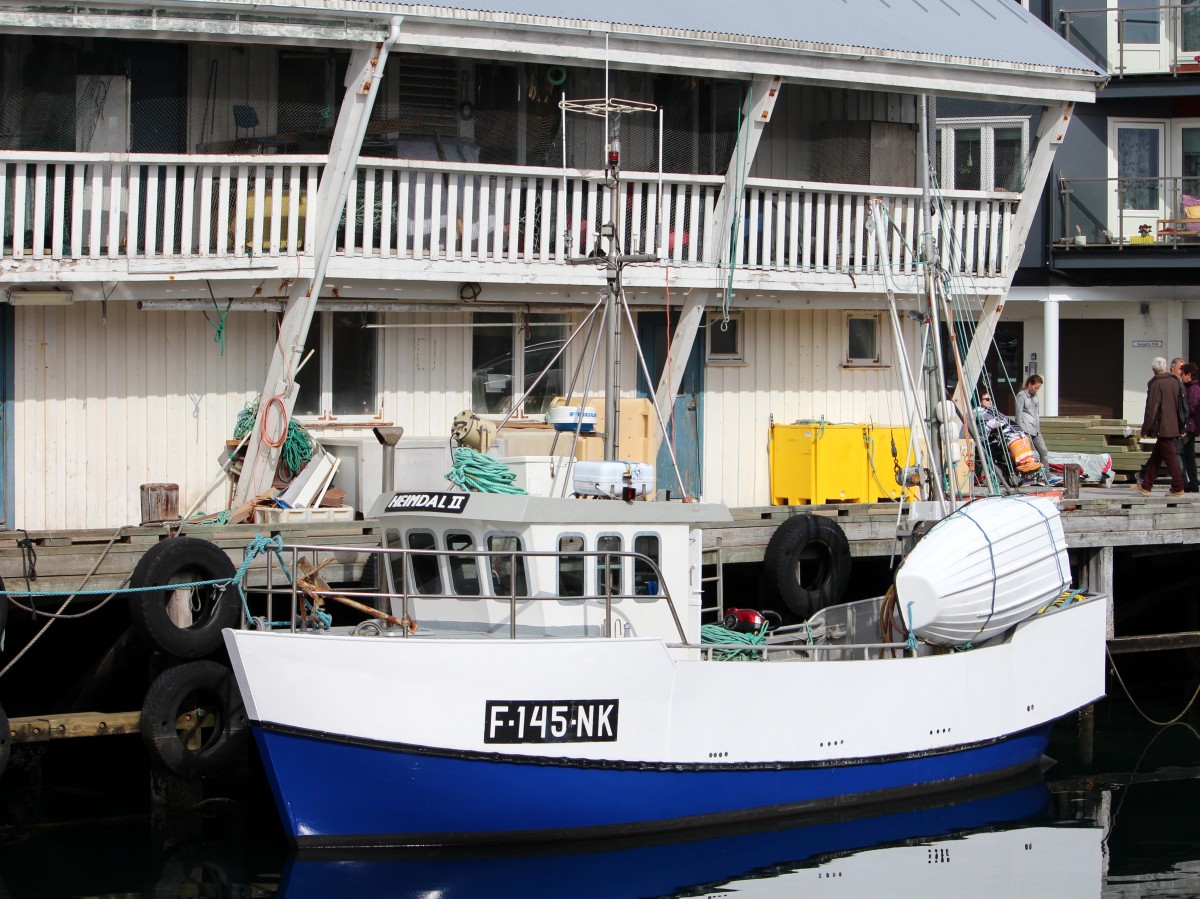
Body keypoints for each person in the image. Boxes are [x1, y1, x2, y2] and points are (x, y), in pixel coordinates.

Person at [1134, 356, 1186, 498]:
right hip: (1173, 425)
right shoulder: (1176, 382)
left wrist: (1146, 428)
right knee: (1157, 456)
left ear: (1153, 370)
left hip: (1163, 426)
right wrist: (1182, 427)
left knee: (1169, 456)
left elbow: (1152, 408)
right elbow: (1182, 406)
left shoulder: (1156, 384)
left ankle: (1178, 487)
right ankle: (1146, 486)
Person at [1016, 374, 1049, 466]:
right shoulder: (1021, 396)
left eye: (1038, 388)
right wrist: (1020, 431)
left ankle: (1046, 476)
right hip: (1025, 430)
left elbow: (1036, 413)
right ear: (1030, 384)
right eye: (1036, 387)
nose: (1037, 390)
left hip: (1036, 429)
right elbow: (1018, 414)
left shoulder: (1035, 396)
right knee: (1026, 455)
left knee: (1044, 452)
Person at [1183, 362, 1200, 492]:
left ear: (1189, 375)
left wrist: (1183, 426)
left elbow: (1191, 408)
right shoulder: (1188, 387)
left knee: (1179, 453)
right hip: (1190, 426)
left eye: (1183, 374)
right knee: (1188, 455)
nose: (1181, 376)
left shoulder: (1194, 388)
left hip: (1189, 427)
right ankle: (1193, 484)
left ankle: (1184, 483)